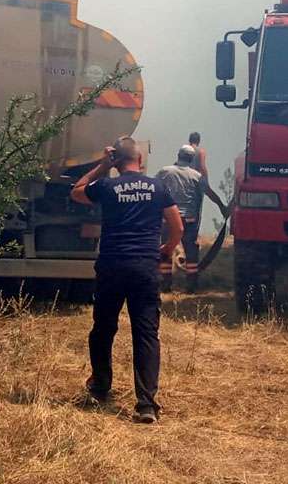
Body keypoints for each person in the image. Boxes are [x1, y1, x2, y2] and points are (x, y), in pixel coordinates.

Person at [71, 136, 183, 424]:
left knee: (103, 328)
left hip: (112, 265)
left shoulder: (107, 186)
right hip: (144, 267)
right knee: (146, 333)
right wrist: (167, 249)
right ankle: (146, 405)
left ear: (116, 161)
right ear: (141, 160)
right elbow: (177, 225)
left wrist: (100, 166)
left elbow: (77, 192)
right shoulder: (158, 187)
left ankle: (100, 386)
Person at [155, 145, 230, 293]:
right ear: (191, 159)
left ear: (178, 155)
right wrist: (222, 207)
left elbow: (153, 188)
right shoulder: (196, 176)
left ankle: (165, 284)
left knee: (166, 249)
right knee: (191, 253)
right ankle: (191, 285)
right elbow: (209, 193)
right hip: (189, 220)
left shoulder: (164, 172)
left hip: (169, 219)